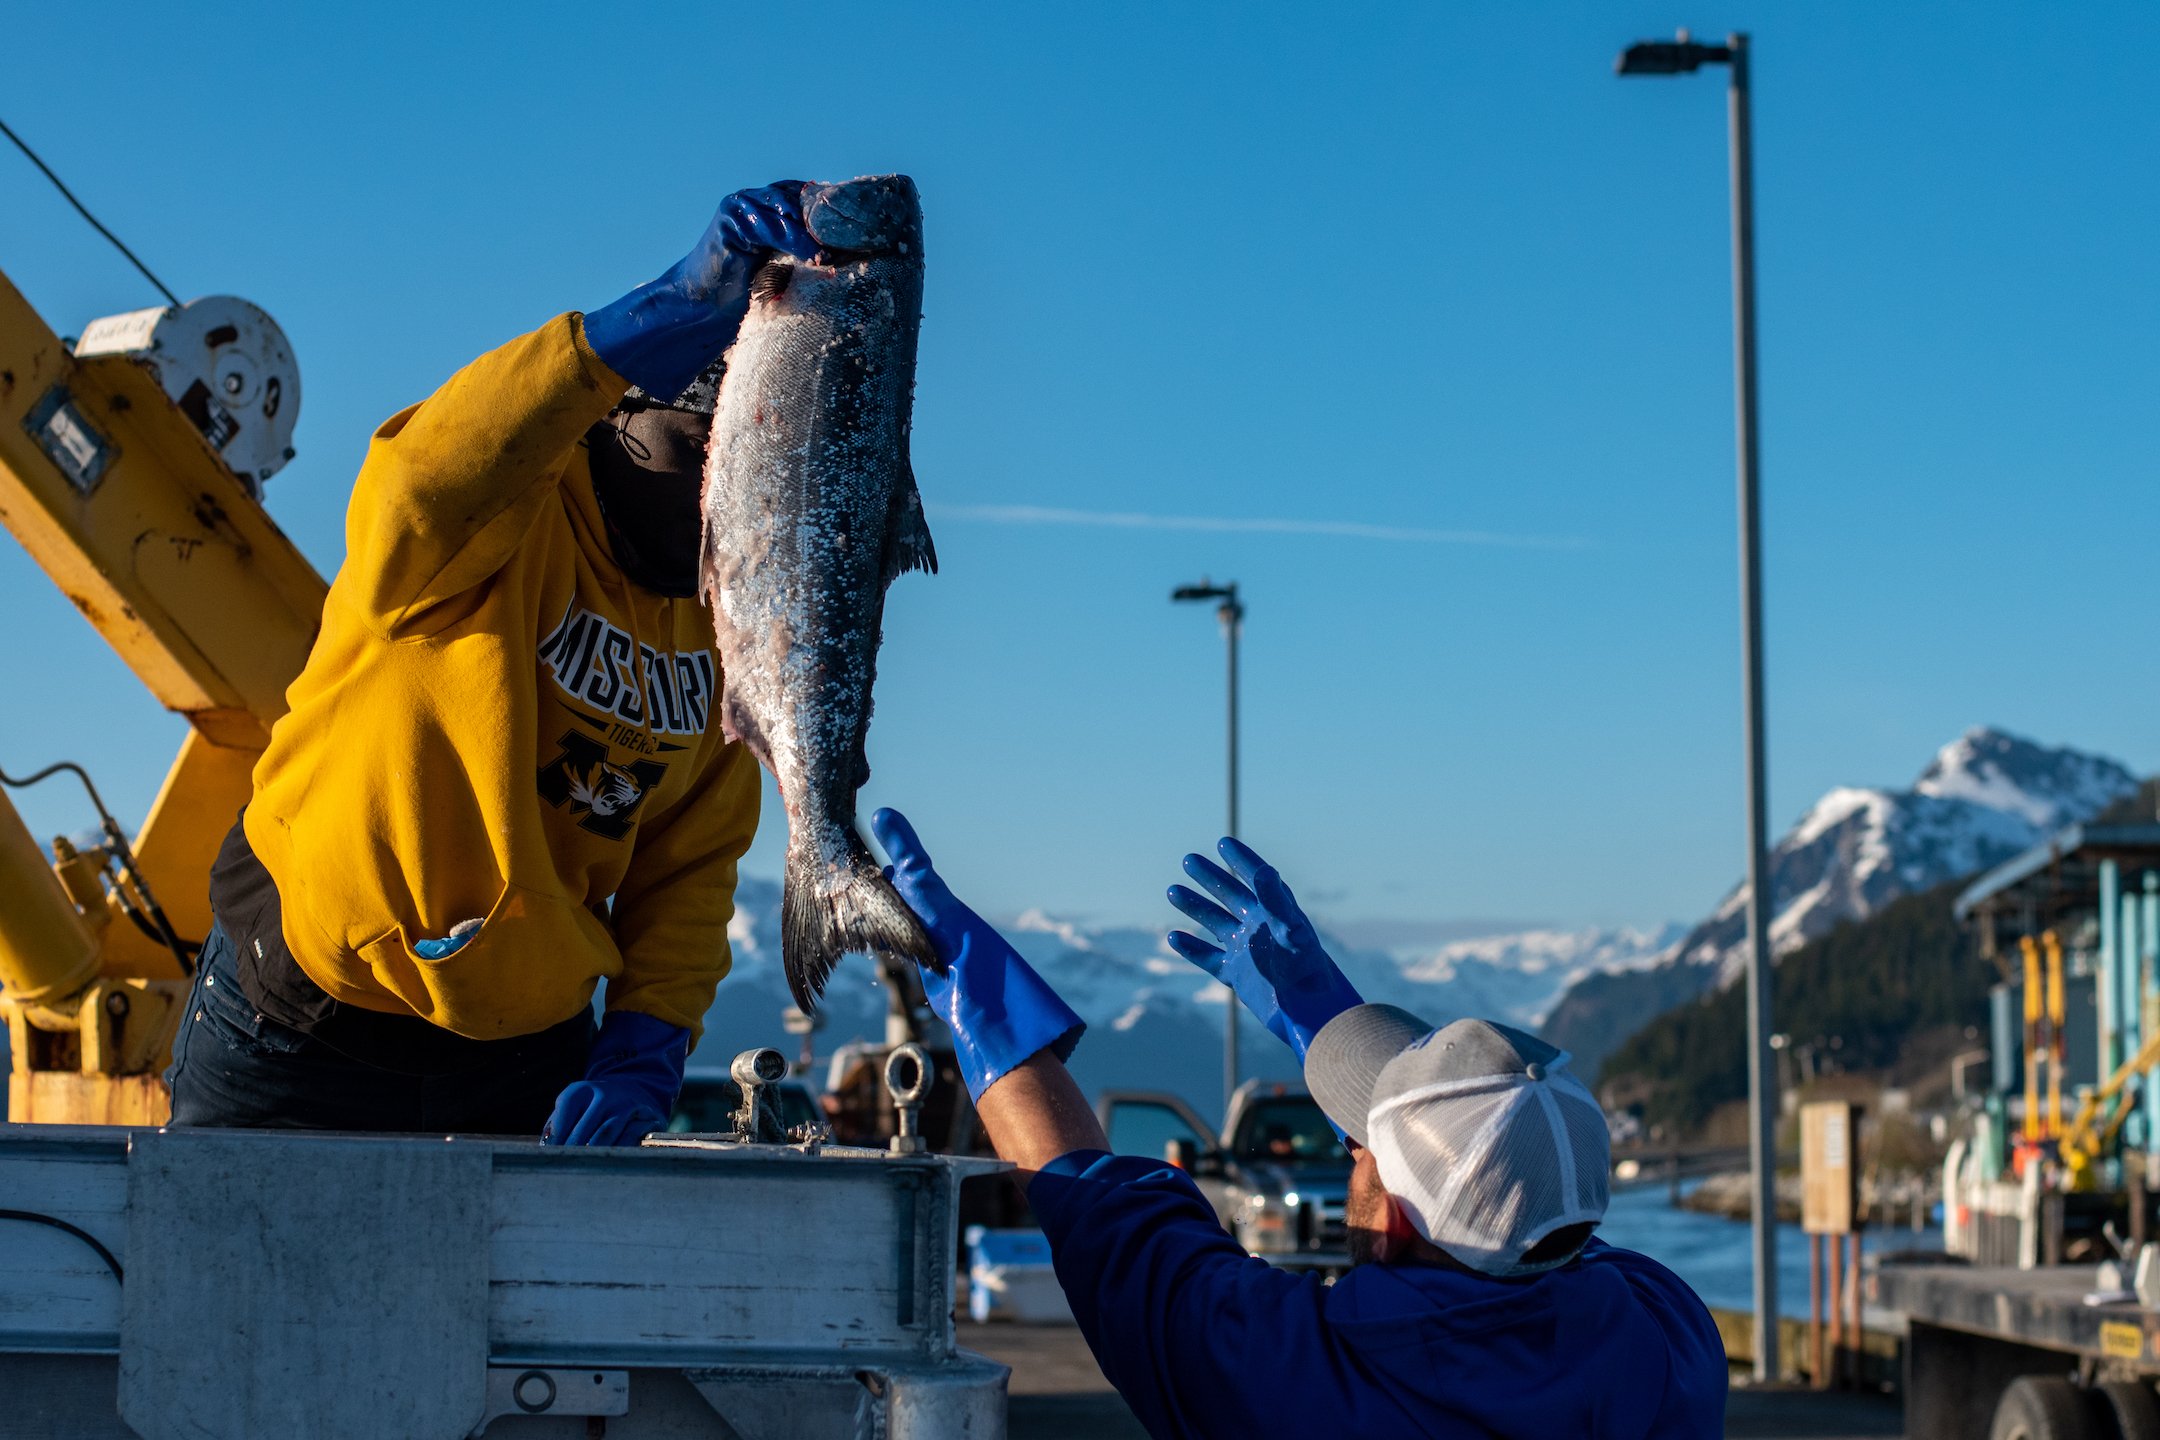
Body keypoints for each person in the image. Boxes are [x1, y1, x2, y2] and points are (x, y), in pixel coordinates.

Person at [164, 183, 824, 1145]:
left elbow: (692, 858)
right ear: (624, 421)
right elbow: (422, 473)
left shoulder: (734, 609)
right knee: (228, 1290)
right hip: (298, 1021)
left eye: (752, 467)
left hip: (528, 1055)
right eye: (700, 450)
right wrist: (657, 314)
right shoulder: (487, 521)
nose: (722, 494)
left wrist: (649, 1039)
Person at [868, 807, 1727, 1439]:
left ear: (1392, 1217)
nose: (1350, 1145)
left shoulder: (1294, 1376)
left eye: (1362, 1147)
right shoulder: (1671, 1343)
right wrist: (1335, 1034)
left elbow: (1100, 1210)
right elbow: (1532, 1226)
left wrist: (972, 991)